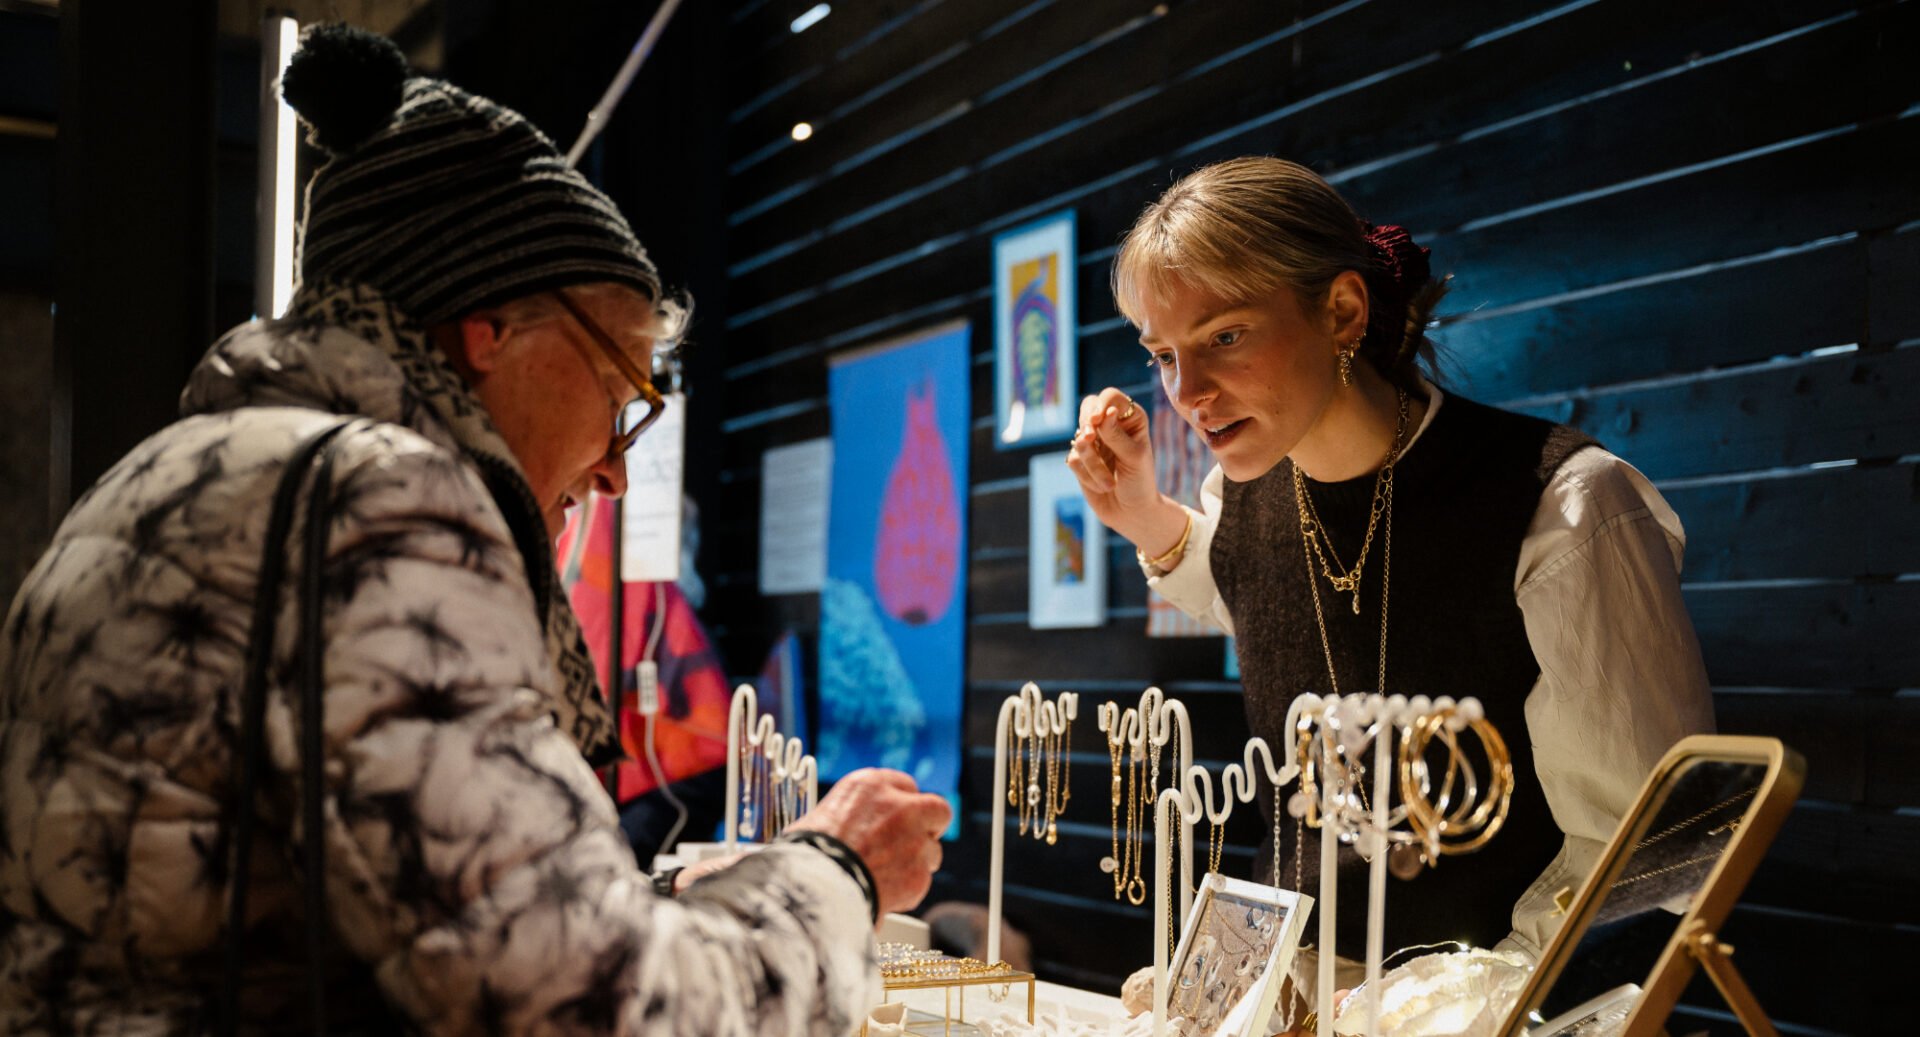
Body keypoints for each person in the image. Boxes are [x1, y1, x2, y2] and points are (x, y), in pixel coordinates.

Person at [0, 24, 948, 1034]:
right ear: (489, 324)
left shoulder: (169, 474)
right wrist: (832, 870)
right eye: (625, 384)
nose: (619, 463)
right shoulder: (374, 505)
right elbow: (594, 1009)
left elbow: (400, 918)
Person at [1067, 157, 1713, 982]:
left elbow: (1654, 847)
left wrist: (1452, 1006)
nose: (1188, 390)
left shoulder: (1565, 506)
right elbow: (1256, 595)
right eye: (1163, 354)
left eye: (1225, 336)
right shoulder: (1243, 499)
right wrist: (1144, 518)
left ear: (1340, 310)